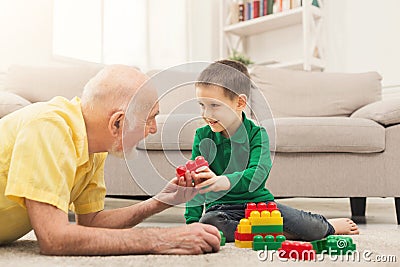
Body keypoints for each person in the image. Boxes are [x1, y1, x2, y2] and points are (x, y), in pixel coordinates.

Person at [0, 65, 221, 255]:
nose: (154, 129)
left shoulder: (92, 145)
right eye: (150, 118)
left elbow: (91, 222)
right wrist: (162, 239)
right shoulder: (49, 127)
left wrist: (160, 201)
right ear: (117, 122)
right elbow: (54, 238)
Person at [184, 59, 360, 242]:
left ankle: (327, 225)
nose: (206, 114)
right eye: (202, 105)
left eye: (214, 106)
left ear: (240, 103)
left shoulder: (257, 135)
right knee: (210, 223)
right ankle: (275, 232)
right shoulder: (203, 137)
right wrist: (192, 224)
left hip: (261, 205)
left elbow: (258, 174)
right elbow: (195, 184)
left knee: (314, 230)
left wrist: (224, 182)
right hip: (220, 210)